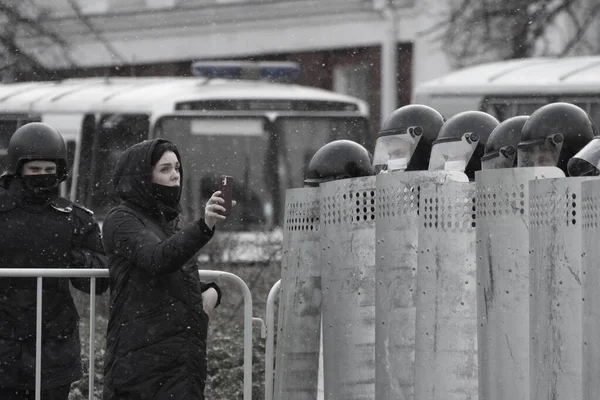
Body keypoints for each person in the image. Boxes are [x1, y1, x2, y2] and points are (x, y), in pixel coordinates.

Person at [102, 139, 226, 400]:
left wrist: (211, 291)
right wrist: (204, 226)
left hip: (182, 361)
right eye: (165, 169)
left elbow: (174, 277)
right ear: (143, 177)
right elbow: (158, 259)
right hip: (142, 363)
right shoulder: (121, 219)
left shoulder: (171, 221)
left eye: (177, 168)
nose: (175, 176)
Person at [0, 122, 108, 400]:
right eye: (34, 170)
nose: (42, 176)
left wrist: (72, 258)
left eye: (49, 170)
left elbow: (99, 281)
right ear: (17, 168)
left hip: (54, 343)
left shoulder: (75, 219)